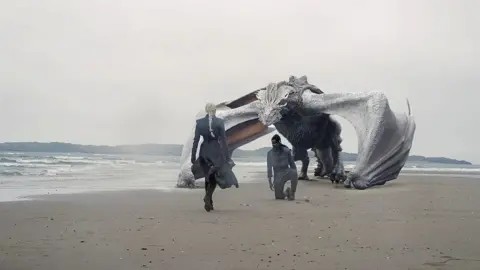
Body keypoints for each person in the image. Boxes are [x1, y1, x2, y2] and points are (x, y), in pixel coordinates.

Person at [191, 103, 239, 212]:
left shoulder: (199, 123)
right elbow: (223, 141)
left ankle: (210, 201)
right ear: (215, 110)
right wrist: (227, 157)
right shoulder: (219, 122)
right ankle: (208, 197)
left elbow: (196, 140)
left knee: (208, 176)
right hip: (216, 151)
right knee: (213, 176)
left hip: (204, 151)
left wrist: (194, 156)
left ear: (206, 110)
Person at [267, 134, 298, 200]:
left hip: (286, 171)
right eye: (272, 143)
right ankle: (287, 192)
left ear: (279, 142)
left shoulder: (286, 151)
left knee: (294, 173)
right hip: (277, 176)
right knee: (279, 197)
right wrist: (270, 182)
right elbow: (269, 168)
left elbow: (292, 165)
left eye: (275, 143)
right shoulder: (270, 153)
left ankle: (292, 193)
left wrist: (295, 175)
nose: (274, 145)